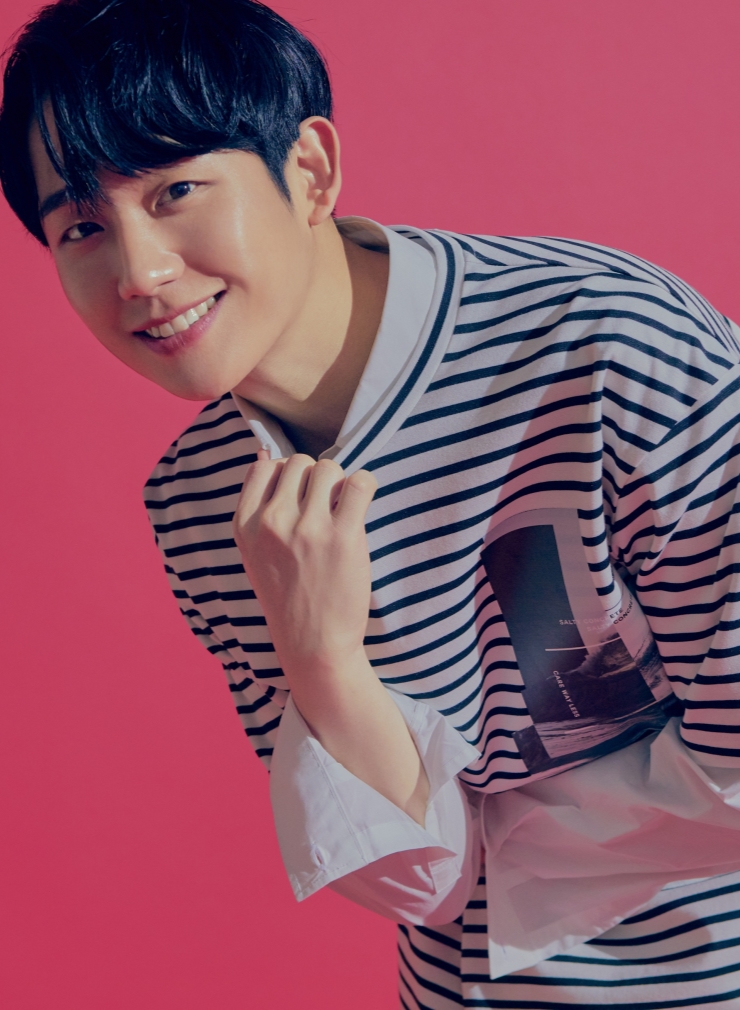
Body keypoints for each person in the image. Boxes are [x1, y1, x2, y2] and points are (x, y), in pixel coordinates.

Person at [3, 0, 740, 1005]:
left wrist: (490, 837)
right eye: (82, 226)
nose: (140, 272)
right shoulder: (201, 503)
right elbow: (421, 885)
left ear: (308, 169)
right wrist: (321, 656)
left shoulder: (608, 344)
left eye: (175, 189)